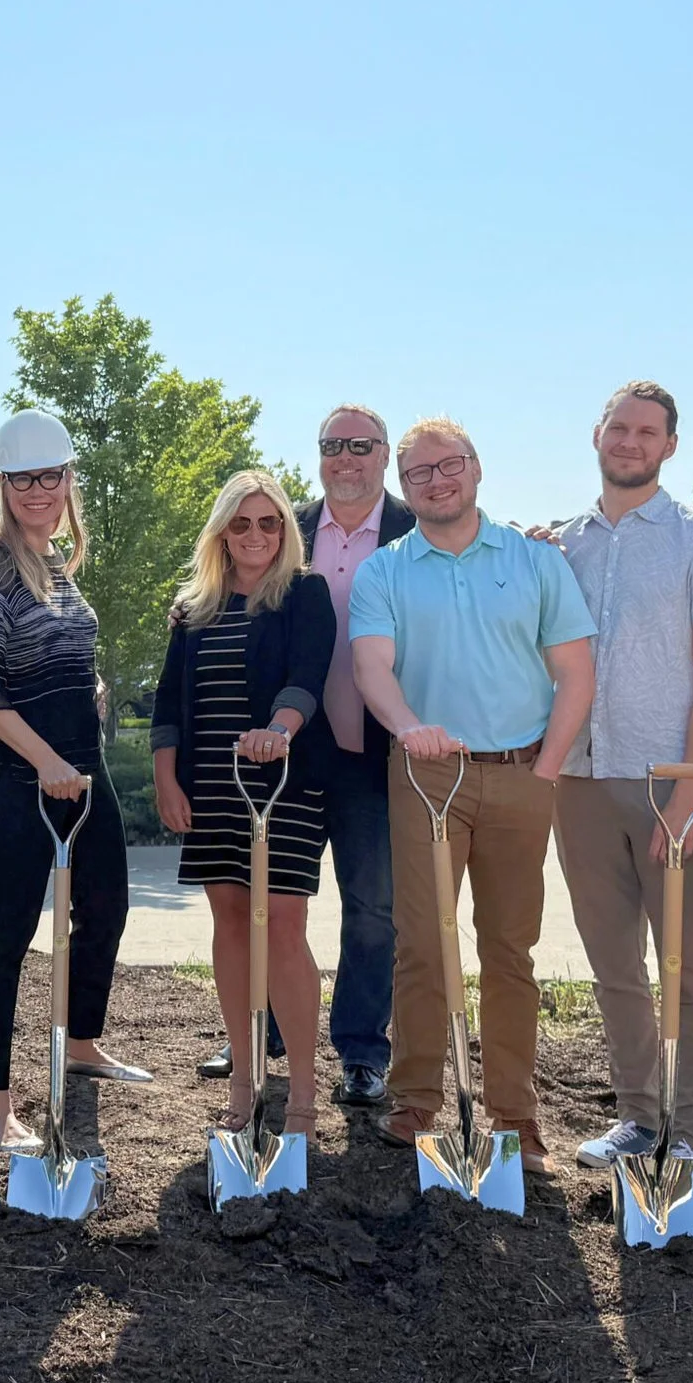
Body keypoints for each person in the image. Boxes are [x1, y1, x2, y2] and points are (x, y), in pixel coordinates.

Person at [350, 419, 595, 1173]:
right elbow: (372, 667)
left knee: (510, 950)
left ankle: (514, 1113)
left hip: (523, 771)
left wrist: (546, 769)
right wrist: (407, 728)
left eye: (448, 466)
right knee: (424, 942)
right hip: (428, 774)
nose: (436, 481)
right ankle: (416, 1096)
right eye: (419, 473)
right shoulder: (385, 571)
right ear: (405, 484)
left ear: (477, 469)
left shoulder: (534, 562)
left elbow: (575, 672)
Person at [547, 383, 693, 1169]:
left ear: (669, 445)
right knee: (614, 963)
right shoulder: (563, 544)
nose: (630, 441)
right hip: (581, 778)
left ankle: (689, 1130)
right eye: (618, 427)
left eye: (648, 431)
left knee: (686, 963)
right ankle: (638, 1116)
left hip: (668, 782)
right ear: (596, 434)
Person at [0, 410, 144, 1155]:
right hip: (15, 775)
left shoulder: (56, 559)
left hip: (77, 765)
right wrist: (45, 761)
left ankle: (81, 1040)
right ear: (3, 484)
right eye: (23, 477)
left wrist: (88, 683)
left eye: (51, 475)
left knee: (106, 901)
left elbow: (55, 650)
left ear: (70, 480)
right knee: (6, 931)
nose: (38, 489)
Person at [153, 470, 334, 1139]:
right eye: (241, 522)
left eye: (268, 522)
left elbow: (306, 678)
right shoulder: (192, 608)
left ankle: (306, 1095)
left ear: (284, 530)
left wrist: (278, 732)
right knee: (230, 919)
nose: (255, 534)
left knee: (282, 924)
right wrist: (167, 779)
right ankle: (246, 1077)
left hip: (282, 785)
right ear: (222, 531)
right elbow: (168, 705)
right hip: (212, 786)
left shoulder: (304, 594)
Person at [283, 404, 418, 1107]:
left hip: (377, 753)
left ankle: (361, 1050)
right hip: (293, 753)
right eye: (332, 444)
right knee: (277, 902)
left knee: (373, 909)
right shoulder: (284, 526)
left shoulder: (413, 532)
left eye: (359, 445)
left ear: (384, 454)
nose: (345, 458)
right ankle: (266, 1034)